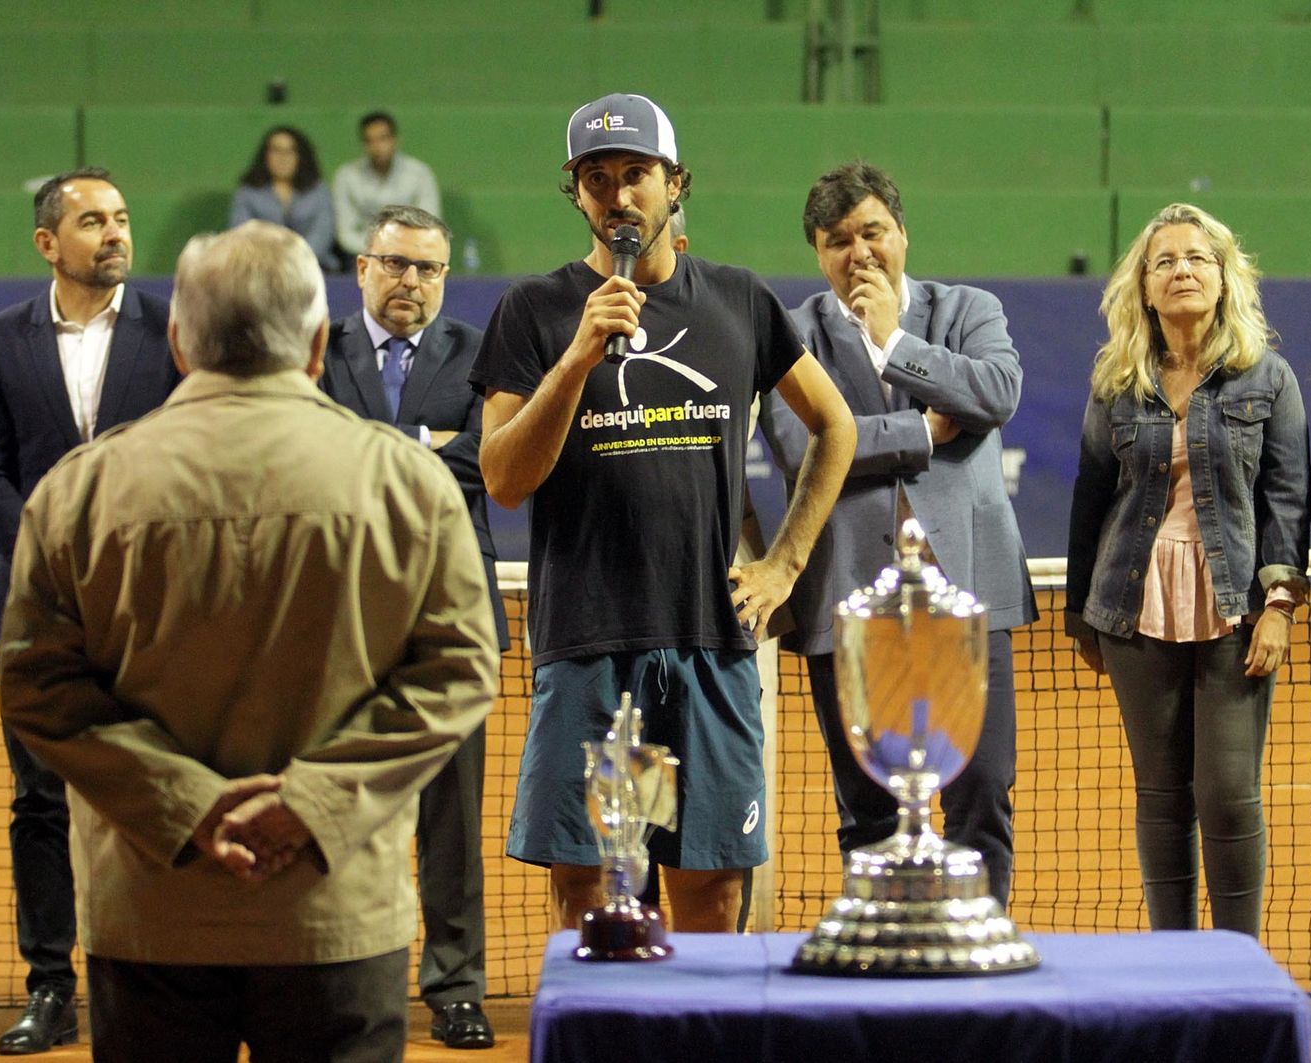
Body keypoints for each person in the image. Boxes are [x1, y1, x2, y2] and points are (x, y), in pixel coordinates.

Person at [0, 220, 500, 1062]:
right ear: (314, 346)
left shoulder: (75, 492)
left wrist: (186, 808)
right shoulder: (409, 482)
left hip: (150, 920)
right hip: (335, 919)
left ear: (178, 343)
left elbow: (38, 687)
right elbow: (458, 672)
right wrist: (310, 805)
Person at [472, 92, 855, 933]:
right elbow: (502, 477)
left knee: (710, 893)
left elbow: (836, 426)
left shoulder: (739, 302)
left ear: (675, 184)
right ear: (575, 194)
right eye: (597, 178)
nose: (618, 195)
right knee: (599, 891)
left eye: (636, 174)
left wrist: (784, 561)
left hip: (706, 647)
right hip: (592, 650)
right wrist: (576, 355)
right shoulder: (535, 312)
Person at [761, 161, 1036, 904]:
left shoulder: (967, 310)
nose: (859, 252)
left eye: (873, 231)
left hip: (969, 596)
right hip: (848, 606)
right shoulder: (794, 331)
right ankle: (887, 949)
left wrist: (893, 342)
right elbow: (800, 441)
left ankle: (979, 945)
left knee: (981, 789)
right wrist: (922, 427)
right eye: (837, 239)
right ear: (819, 253)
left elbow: (995, 393)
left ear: (903, 234)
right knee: (867, 806)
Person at [0, 166, 181, 1055]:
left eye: (122, 217)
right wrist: (55, 552)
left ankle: (162, 984)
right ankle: (50, 987)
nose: (115, 233)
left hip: (155, 614)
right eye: (93, 221)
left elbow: (194, 449)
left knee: (157, 799)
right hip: (37, 612)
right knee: (40, 806)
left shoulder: (175, 333)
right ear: (49, 242)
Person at [1066, 203, 1308, 940]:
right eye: (1165, 261)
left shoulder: (1267, 376)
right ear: (1143, 286)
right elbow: (1090, 494)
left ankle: (1237, 960)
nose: (1182, 271)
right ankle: (1174, 959)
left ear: (1225, 276)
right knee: (1162, 794)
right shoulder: (1117, 380)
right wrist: (1082, 612)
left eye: (1197, 258)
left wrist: (1280, 603)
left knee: (1229, 793)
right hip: (1134, 607)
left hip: (1235, 607)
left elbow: (1287, 497)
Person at [320, 203, 507, 1050]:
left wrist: (381, 447)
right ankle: (340, 973)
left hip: (449, 622)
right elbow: (308, 447)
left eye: (428, 269)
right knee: (339, 808)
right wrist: (427, 445)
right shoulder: (316, 350)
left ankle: (456, 985)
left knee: (452, 819)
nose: (411, 283)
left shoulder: (480, 355)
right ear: (362, 268)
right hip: (334, 625)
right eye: (395, 264)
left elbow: (493, 457)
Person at [333, 111, 443, 260]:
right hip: (363, 257)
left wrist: (400, 251)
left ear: (395, 140)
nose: (377, 147)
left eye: (382, 139)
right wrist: (379, 252)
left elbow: (428, 225)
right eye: (370, 141)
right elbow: (346, 234)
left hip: (412, 255)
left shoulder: (420, 174)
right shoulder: (347, 177)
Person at [230, 126, 339, 271]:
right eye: (276, 151)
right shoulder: (247, 191)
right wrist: (272, 263)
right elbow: (241, 233)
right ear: (265, 156)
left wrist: (296, 261)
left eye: (290, 151)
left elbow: (322, 233)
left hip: (314, 268)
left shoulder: (318, 190)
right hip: (260, 269)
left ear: (301, 156)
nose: (283, 158)